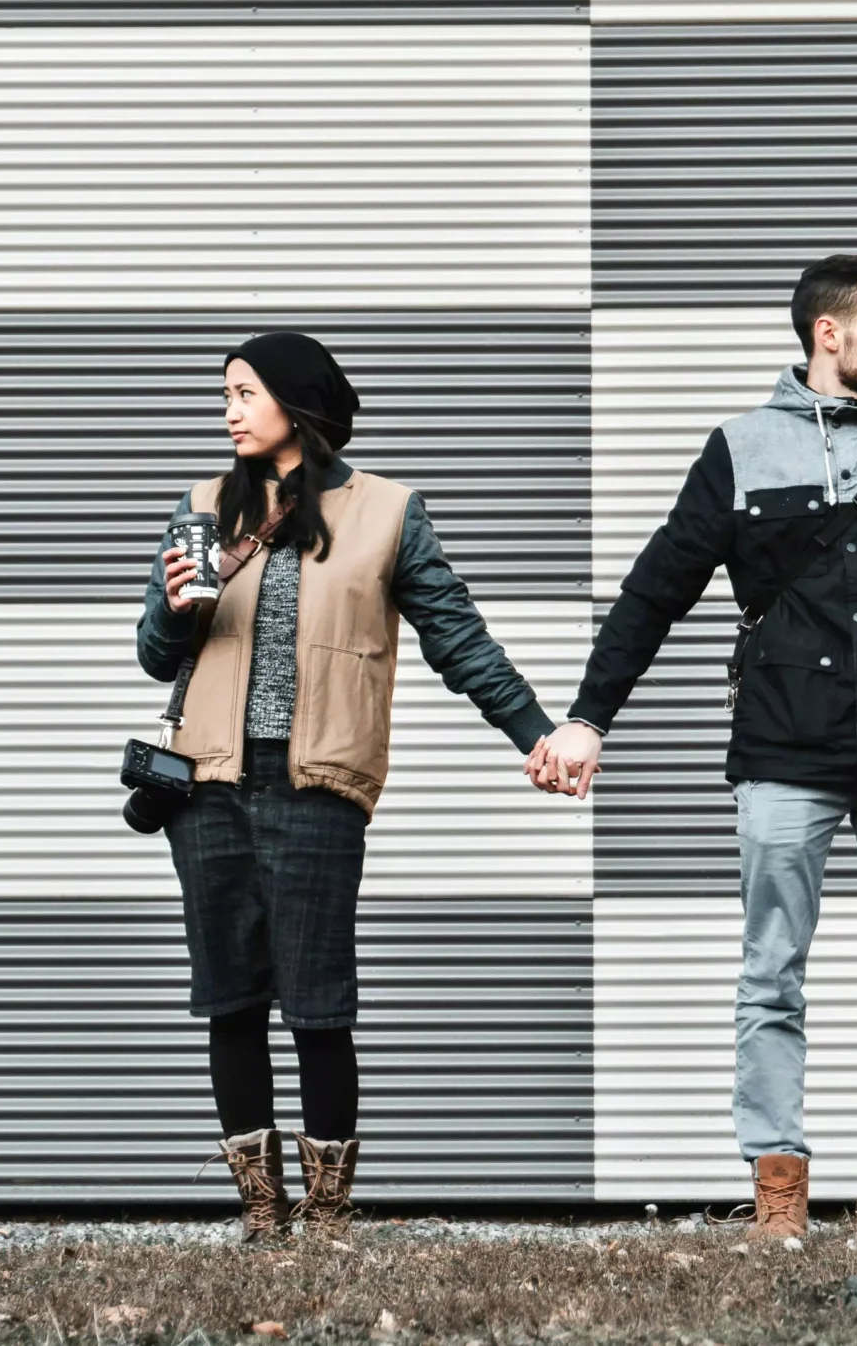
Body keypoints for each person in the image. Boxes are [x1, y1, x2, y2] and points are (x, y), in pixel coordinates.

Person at [531, 255, 857, 1240]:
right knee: (770, 974)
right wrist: (588, 716)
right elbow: (654, 592)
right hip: (782, 757)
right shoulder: (741, 449)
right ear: (828, 335)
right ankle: (777, 1187)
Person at [139, 331, 564, 1239]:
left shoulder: (388, 513)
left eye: (245, 392)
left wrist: (536, 730)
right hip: (207, 789)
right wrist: (178, 608)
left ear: (298, 402)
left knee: (320, 1005)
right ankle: (262, 1211)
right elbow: (153, 653)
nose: (228, 410)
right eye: (225, 394)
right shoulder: (201, 507)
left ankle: (327, 1214)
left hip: (318, 787)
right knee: (229, 998)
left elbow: (460, 641)